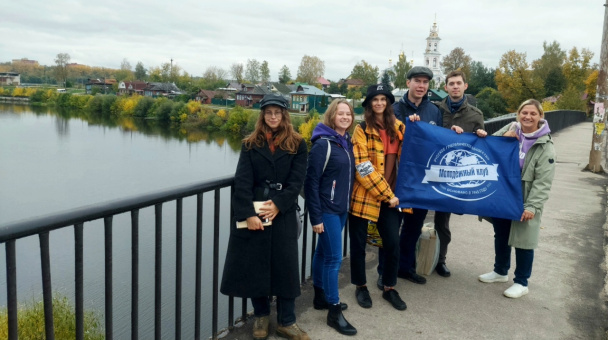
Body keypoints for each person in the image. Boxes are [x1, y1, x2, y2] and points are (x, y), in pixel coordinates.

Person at [220, 94, 310, 340]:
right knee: (255, 265)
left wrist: (280, 204)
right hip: (256, 211)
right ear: (262, 115)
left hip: (284, 212)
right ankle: (260, 316)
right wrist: (248, 214)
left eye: (277, 112)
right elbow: (243, 182)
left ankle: (287, 321)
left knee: (286, 266)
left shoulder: (298, 143)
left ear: (284, 115)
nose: (273, 117)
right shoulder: (250, 144)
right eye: (268, 112)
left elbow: (297, 180)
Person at [478, 99, 556, 298]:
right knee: (502, 233)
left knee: (523, 240)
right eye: (524, 113)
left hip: (525, 196)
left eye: (533, 114)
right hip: (504, 193)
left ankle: (522, 282)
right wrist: (504, 136)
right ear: (518, 114)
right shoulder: (512, 127)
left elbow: (543, 181)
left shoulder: (544, 144)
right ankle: (500, 271)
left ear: (540, 116)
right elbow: (488, 145)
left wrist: (532, 206)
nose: (528, 117)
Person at [377, 66, 442, 288]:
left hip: (421, 180)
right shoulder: (393, 109)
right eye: (417, 81)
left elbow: (439, 143)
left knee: (413, 228)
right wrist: (406, 128)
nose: (421, 86)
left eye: (425, 82)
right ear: (408, 83)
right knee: (390, 229)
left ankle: (405, 268)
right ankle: (383, 272)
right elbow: (384, 141)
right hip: (396, 178)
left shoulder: (434, 111)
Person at [349, 83, 407, 311]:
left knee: (392, 243)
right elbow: (362, 166)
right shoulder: (361, 129)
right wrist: (387, 194)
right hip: (365, 196)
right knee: (358, 244)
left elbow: (422, 147)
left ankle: (389, 287)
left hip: (393, 199)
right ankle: (360, 286)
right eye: (375, 99)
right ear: (369, 104)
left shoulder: (401, 127)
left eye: (383, 99)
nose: (380, 103)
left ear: (389, 103)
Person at [305, 99, 357, 336]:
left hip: (340, 209)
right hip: (326, 210)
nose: (345, 117)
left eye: (348, 114)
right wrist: (315, 217)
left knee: (323, 253)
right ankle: (334, 310)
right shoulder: (323, 144)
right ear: (332, 116)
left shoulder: (345, 142)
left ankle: (320, 297)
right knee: (334, 258)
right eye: (340, 113)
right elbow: (311, 183)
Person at [433, 70, 487, 277]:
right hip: (432, 171)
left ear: (465, 86)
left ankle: (440, 259)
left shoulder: (475, 115)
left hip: (454, 177)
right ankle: (414, 257)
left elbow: (480, 148)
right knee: (416, 218)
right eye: (451, 84)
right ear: (445, 87)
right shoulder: (435, 110)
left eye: (458, 83)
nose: (455, 87)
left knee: (442, 222)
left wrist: (481, 135)